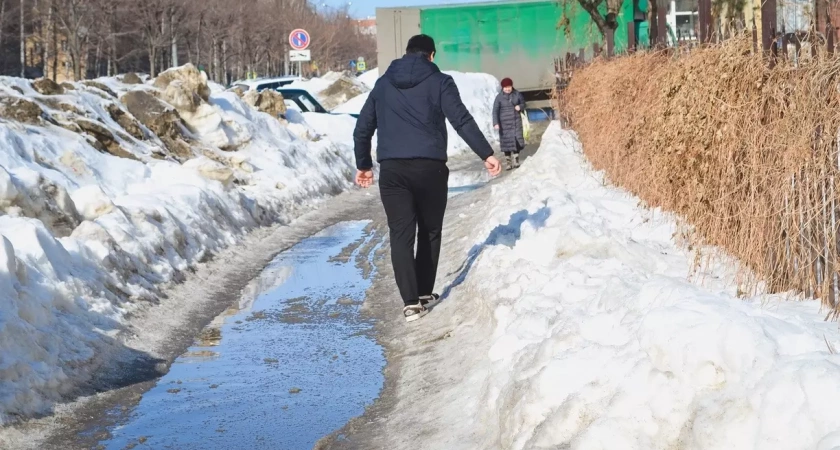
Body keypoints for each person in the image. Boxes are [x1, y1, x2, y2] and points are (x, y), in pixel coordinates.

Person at [353, 34, 502, 323]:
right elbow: (461, 120)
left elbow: (362, 129)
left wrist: (364, 165)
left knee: (400, 233)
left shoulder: (383, 84)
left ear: (407, 53)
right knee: (429, 230)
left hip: (393, 171)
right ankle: (423, 292)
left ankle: (410, 302)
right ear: (431, 55)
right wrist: (486, 153)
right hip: (430, 169)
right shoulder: (440, 81)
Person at [493, 77, 526, 170]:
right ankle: (508, 162)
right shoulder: (499, 97)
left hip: (516, 122)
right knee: (506, 143)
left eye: (509, 87)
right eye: (505, 87)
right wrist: (495, 123)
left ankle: (516, 160)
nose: (507, 89)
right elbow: (495, 111)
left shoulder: (517, 95)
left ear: (512, 86)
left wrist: (520, 106)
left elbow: (524, 104)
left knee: (516, 141)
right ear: (502, 88)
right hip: (504, 124)